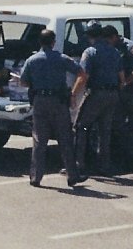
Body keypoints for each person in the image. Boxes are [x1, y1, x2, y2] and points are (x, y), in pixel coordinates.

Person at [19, 29, 84, 187]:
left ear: (40, 42)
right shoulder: (62, 58)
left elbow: (23, 81)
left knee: (39, 140)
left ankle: (36, 177)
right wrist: (73, 94)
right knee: (65, 138)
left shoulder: (32, 60)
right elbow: (81, 72)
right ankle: (72, 175)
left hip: (40, 100)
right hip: (58, 101)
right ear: (53, 42)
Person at [72, 22, 124, 178]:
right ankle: (104, 165)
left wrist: (73, 94)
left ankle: (78, 164)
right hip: (112, 93)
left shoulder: (90, 52)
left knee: (80, 127)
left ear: (89, 36)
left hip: (96, 93)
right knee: (104, 131)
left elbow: (84, 77)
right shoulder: (114, 52)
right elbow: (121, 77)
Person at [108, 24, 133, 169]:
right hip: (121, 88)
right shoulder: (112, 46)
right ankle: (130, 151)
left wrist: (125, 83)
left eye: (108, 40)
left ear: (114, 37)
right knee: (117, 122)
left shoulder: (129, 46)